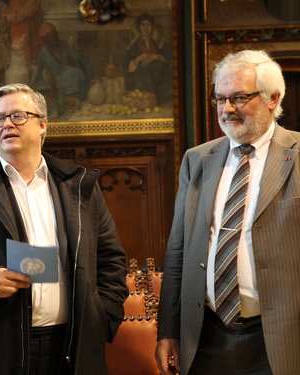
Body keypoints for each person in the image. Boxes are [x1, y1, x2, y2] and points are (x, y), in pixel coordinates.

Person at [0, 83, 128, 375]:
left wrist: (101, 319)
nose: (6, 124)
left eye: (17, 116)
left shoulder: (77, 185)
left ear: (43, 124)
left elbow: (111, 259)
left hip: (73, 346)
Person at [155, 49, 300, 375]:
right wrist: (168, 331)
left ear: (273, 99)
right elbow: (177, 251)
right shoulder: (197, 159)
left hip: (281, 337)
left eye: (238, 98)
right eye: (220, 99)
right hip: (206, 335)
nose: (227, 109)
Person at [123, 14, 172, 105]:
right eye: (143, 25)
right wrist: (139, 58)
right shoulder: (134, 46)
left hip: (158, 82)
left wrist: (154, 56)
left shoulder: (158, 43)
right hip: (141, 85)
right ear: (139, 27)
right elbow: (129, 69)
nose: (146, 28)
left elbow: (166, 61)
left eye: (148, 25)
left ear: (152, 27)